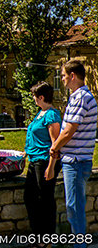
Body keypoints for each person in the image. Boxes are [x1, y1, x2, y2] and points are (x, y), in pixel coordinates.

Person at [50, 57, 97, 235]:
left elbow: (69, 130)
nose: (61, 79)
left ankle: (80, 244)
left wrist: (54, 147)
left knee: (74, 208)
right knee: (74, 207)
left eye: (62, 76)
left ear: (72, 76)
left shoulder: (80, 98)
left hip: (76, 161)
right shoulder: (79, 97)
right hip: (77, 160)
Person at [23, 80, 62, 237]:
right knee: (30, 197)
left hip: (45, 161)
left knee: (44, 199)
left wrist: (51, 166)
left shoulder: (51, 115)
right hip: (34, 160)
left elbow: (55, 143)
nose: (33, 98)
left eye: (34, 95)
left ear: (40, 97)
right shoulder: (40, 114)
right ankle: (37, 232)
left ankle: (46, 236)